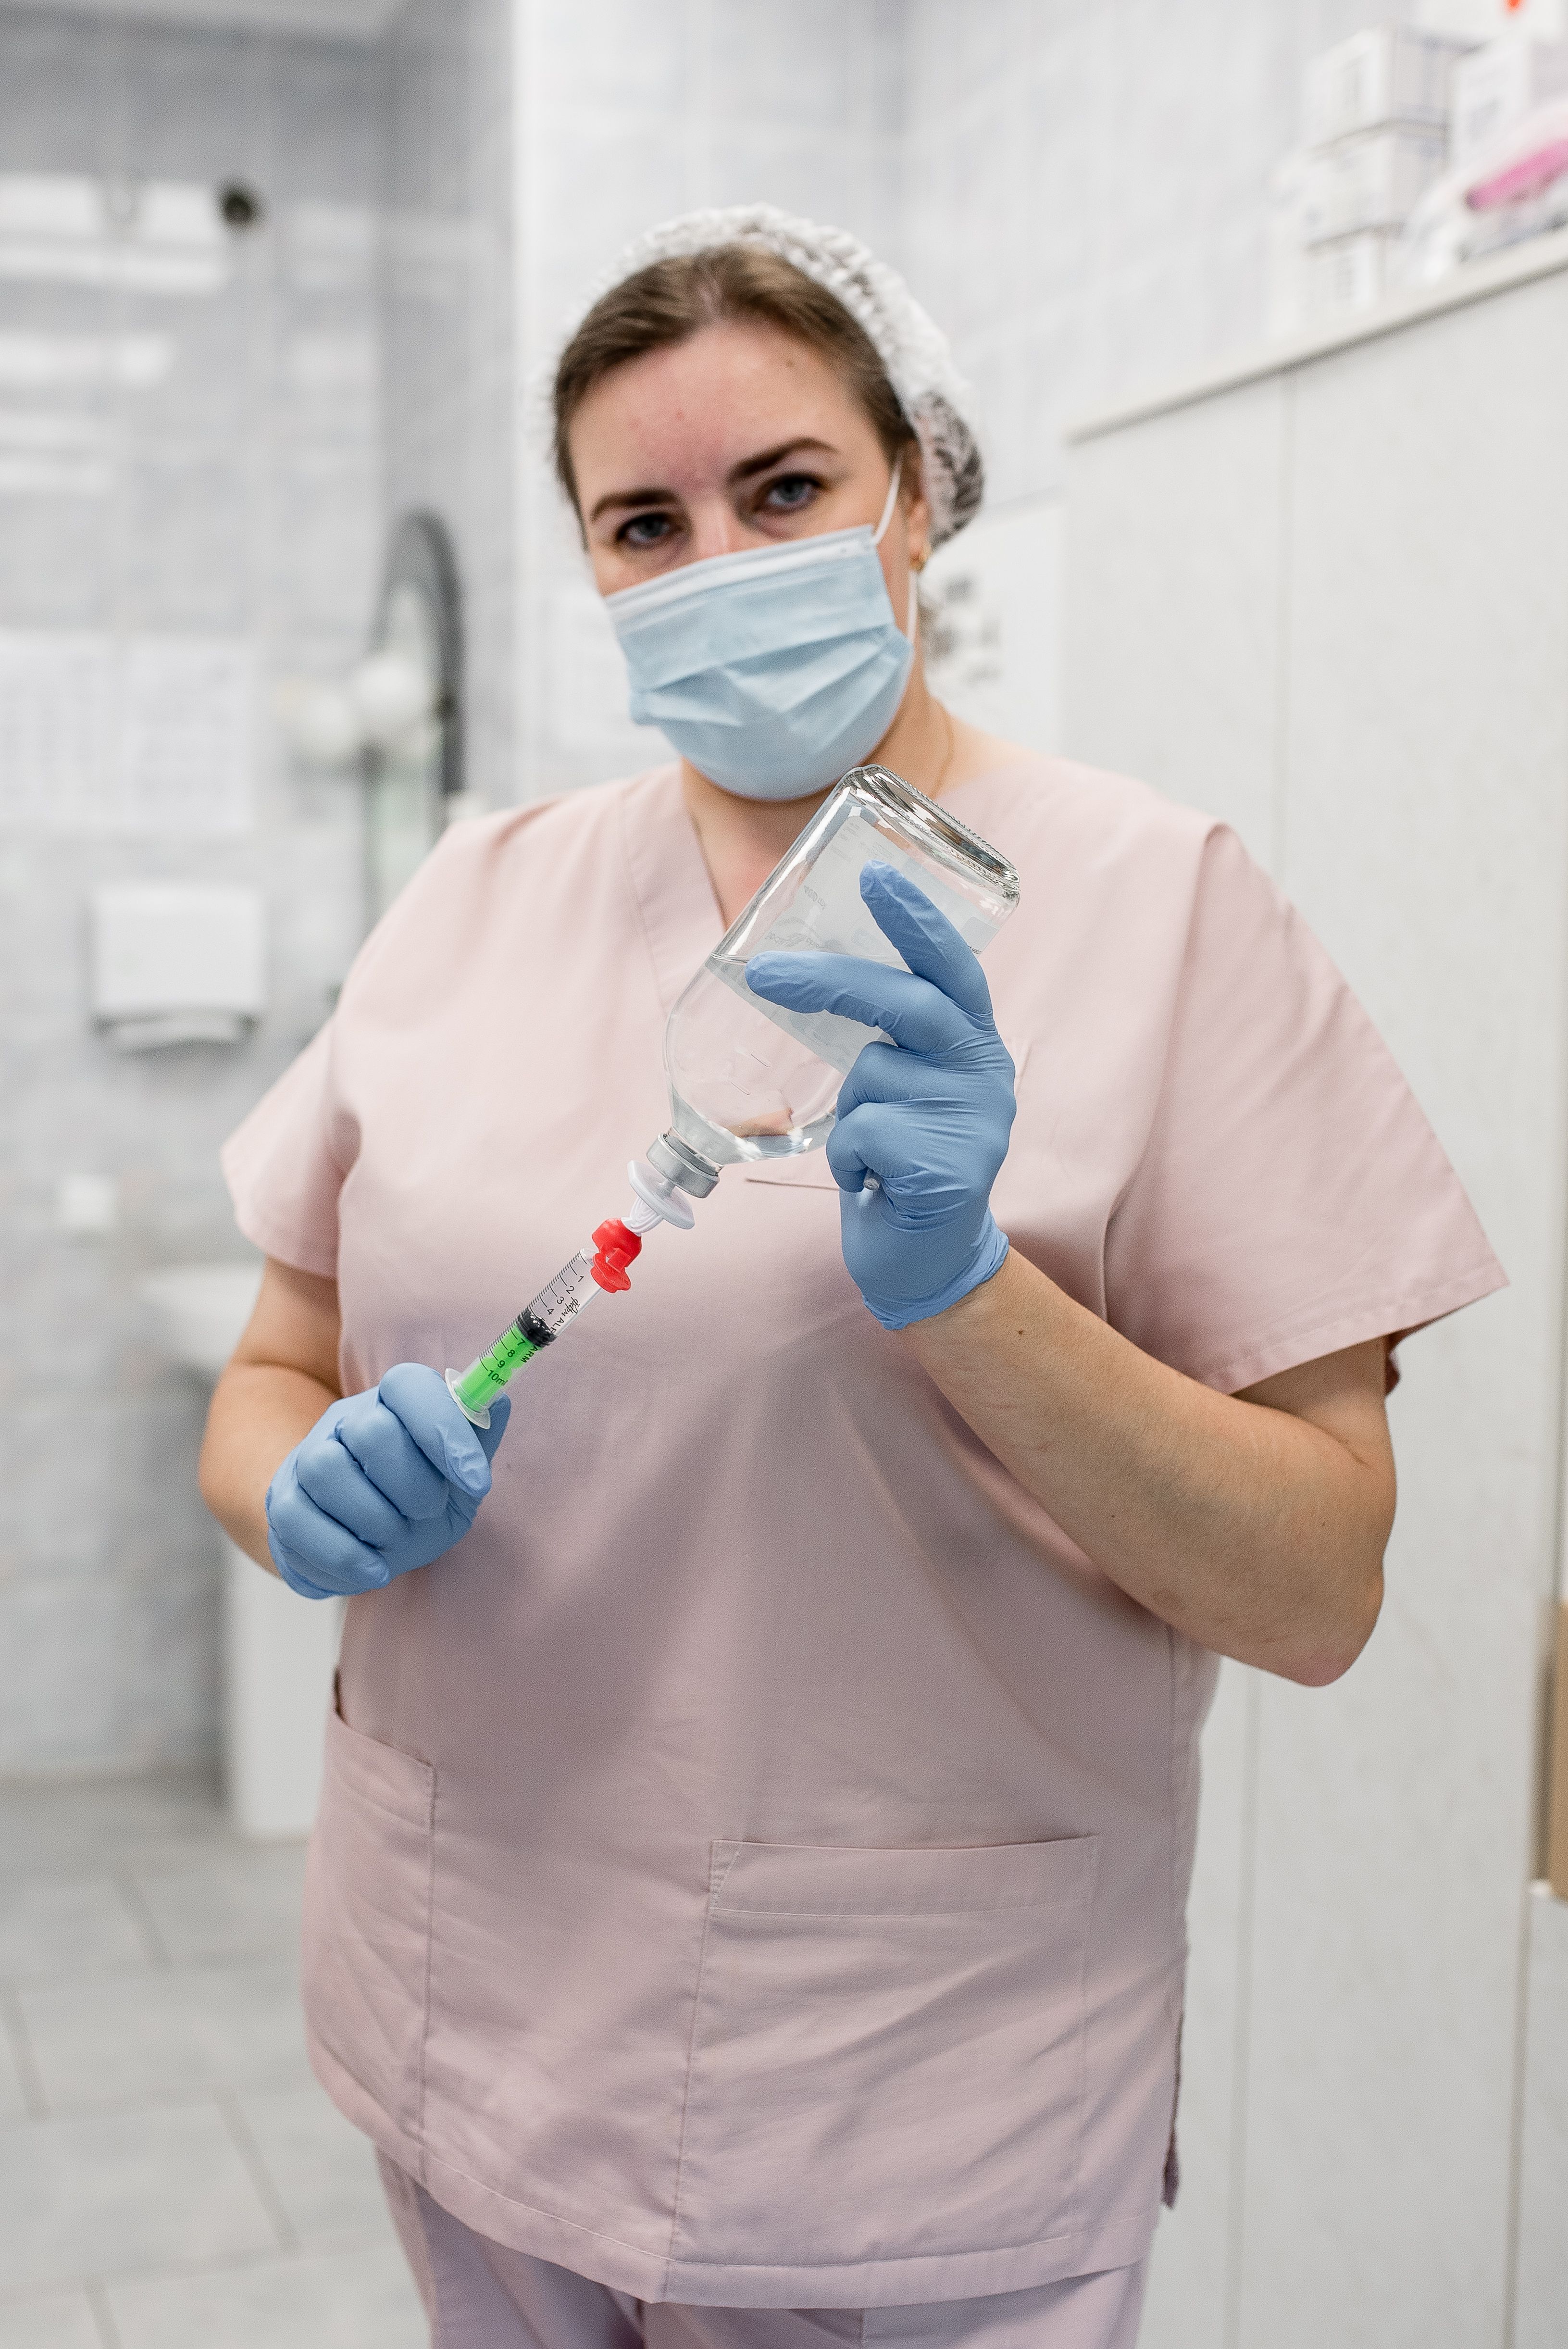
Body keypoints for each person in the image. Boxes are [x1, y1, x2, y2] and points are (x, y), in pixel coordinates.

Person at [200, 206, 1504, 2349]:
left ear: (919, 493)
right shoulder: (471, 896)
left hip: (912, 2090)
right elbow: (270, 1370)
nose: (717, 561)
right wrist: (294, 1489)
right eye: (645, 524)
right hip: (471, 2006)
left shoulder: (1163, 905)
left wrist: (971, 1290)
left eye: (784, 488)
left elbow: (1318, 1588)